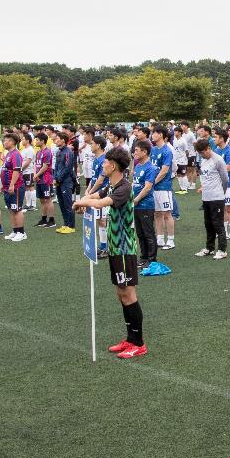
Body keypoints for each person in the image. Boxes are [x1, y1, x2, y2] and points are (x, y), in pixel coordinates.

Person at [74, 147, 148, 359]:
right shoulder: (113, 184)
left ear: (113, 165)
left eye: (105, 162)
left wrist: (83, 202)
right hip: (116, 247)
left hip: (125, 248)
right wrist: (84, 201)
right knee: (120, 293)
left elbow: (99, 203)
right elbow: (95, 195)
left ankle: (139, 342)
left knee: (128, 293)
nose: (102, 165)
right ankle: (130, 338)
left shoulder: (124, 187)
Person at [194, 137, 230, 261]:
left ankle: (222, 250)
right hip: (206, 198)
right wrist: (203, 188)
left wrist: (221, 193)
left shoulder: (218, 160)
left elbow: (225, 179)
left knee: (218, 224)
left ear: (208, 148)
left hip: (217, 198)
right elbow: (206, 177)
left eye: (203, 152)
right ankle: (209, 248)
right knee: (208, 224)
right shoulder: (203, 160)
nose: (202, 155)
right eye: (200, 153)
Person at [131, 140, 159, 271]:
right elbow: (135, 184)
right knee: (140, 233)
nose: (134, 152)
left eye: (137, 150)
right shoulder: (137, 166)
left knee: (148, 232)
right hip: (136, 205)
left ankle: (151, 259)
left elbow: (148, 187)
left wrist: (136, 199)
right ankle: (143, 257)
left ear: (145, 152)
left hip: (146, 205)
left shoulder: (150, 168)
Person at [149, 127, 176, 249]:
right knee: (157, 213)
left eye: (154, 133)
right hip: (154, 187)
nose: (152, 135)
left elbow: (164, 170)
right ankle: (159, 239)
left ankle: (170, 240)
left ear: (160, 135)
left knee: (167, 213)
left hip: (164, 187)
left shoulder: (167, 151)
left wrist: (152, 182)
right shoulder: (153, 149)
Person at [1, 133, 27, 242]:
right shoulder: (8, 154)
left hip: (16, 187)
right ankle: (15, 230)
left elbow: (16, 171)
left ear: (12, 142)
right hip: (8, 186)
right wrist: (4, 184)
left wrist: (11, 184)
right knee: (11, 209)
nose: (4, 142)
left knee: (17, 209)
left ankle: (21, 232)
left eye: (6, 140)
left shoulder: (16, 154)